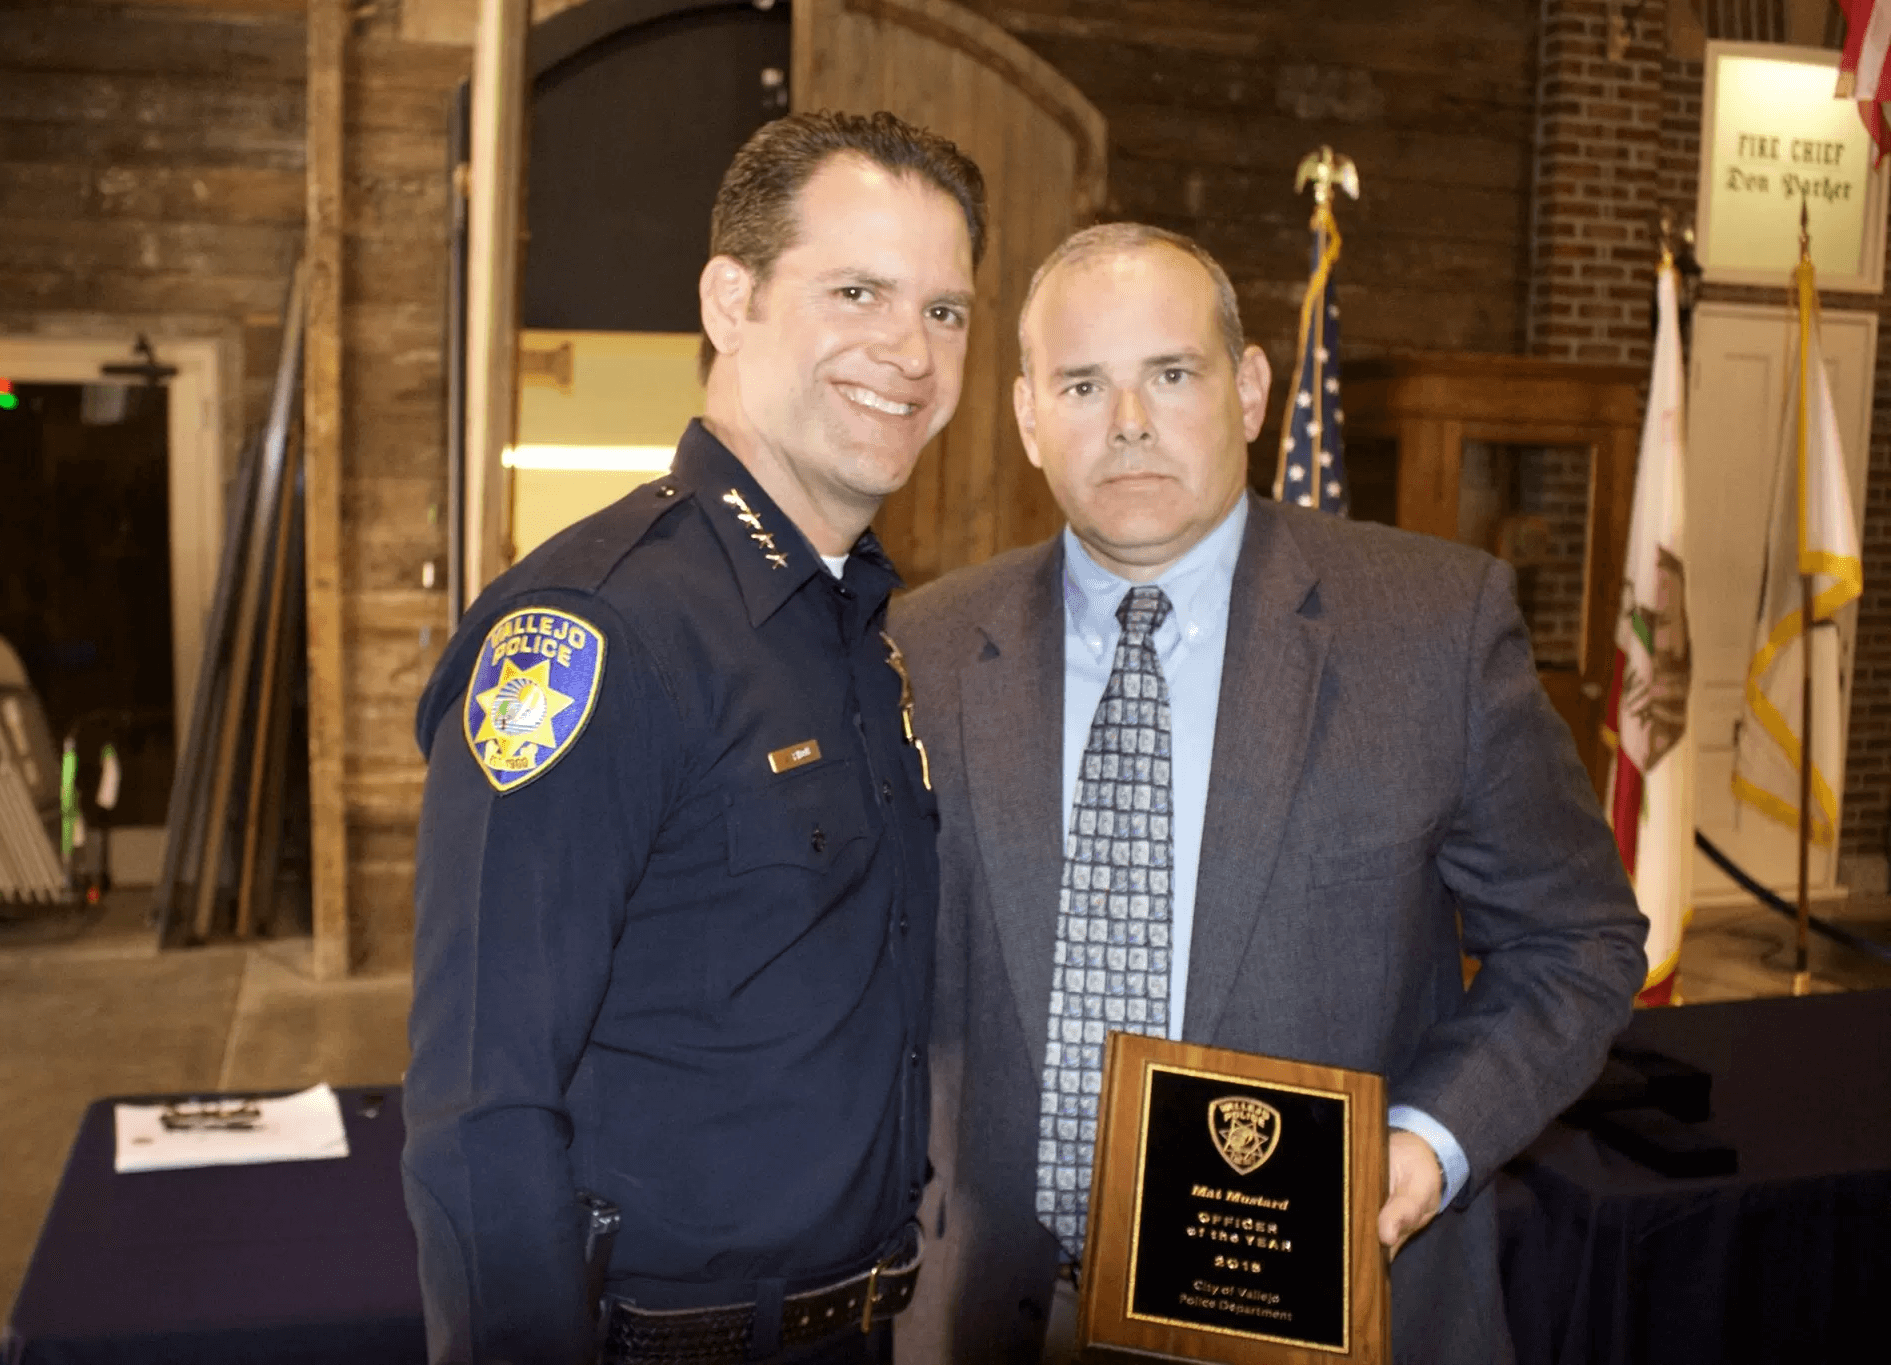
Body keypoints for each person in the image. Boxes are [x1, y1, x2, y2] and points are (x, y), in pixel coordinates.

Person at [887, 223, 1648, 1364]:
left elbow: (1576, 940)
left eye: (1171, 374)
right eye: (1083, 383)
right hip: (996, 1314)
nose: (1128, 422)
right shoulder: (923, 648)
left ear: (1247, 391)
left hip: (1319, 1314)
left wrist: (1424, 1142)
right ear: (1027, 415)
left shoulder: (1428, 633)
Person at [402, 110, 985, 1365]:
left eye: (945, 311)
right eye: (856, 290)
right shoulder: (596, 632)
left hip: (853, 1327)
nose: (909, 350)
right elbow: (479, 1106)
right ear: (731, 300)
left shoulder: (852, 631)